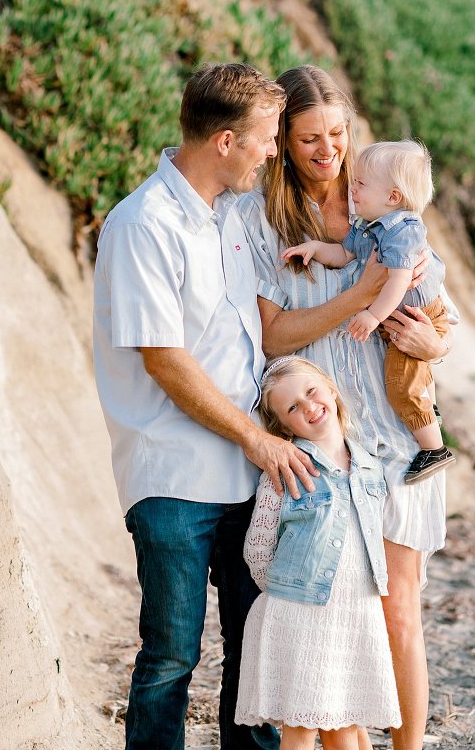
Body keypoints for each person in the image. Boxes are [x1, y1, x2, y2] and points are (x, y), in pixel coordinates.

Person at [93, 62, 318, 750]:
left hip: (249, 475)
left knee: (256, 653)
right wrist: (256, 439)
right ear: (225, 142)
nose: (274, 150)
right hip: (173, 475)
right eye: (267, 138)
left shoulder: (233, 218)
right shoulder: (142, 224)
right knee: (171, 657)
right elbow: (166, 360)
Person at [236, 65, 455, 750]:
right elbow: (273, 335)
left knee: (398, 617)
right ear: (283, 141)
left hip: (400, 442)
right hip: (328, 450)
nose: (327, 151)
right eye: (308, 139)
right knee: (338, 616)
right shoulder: (270, 224)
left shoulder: (386, 212)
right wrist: (359, 295)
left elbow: (438, 320)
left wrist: (434, 343)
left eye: (337, 134)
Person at [236, 356, 401, 750]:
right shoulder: (289, 469)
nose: (308, 406)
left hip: (356, 609)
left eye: (311, 392)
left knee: (346, 717)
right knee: (304, 724)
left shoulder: (369, 465)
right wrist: (287, 590)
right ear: (282, 426)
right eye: (292, 407)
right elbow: (258, 546)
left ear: (329, 387)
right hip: (302, 612)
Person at [282, 139, 457, 484]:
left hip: (416, 318)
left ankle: (435, 449)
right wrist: (316, 248)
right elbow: (346, 256)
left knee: (400, 385)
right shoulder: (372, 227)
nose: (353, 189)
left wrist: (373, 315)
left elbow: (397, 280)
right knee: (408, 380)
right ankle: (427, 416)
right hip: (402, 319)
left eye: (361, 184)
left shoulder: (403, 231)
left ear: (393, 197)